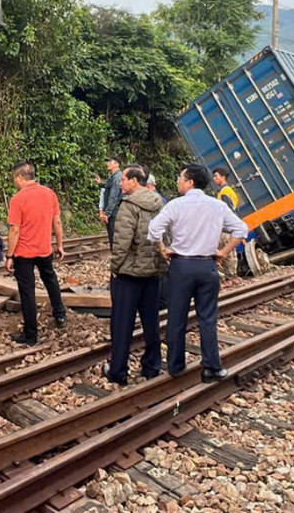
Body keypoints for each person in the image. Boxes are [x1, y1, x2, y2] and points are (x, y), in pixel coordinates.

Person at [147, 163, 248, 383]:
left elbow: (154, 229)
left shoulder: (176, 205)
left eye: (180, 178)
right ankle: (212, 367)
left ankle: (175, 366)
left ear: (190, 182)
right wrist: (223, 253)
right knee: (208, 318)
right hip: (207, 266)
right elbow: (241, 229)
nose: (178, 181)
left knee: (176, 317)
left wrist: (163, 249)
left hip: (181, 267)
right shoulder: (217, 205)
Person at [103, 165, 165, 385]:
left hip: (129, 273)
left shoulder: (129, 206)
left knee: (122, 323)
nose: (120, 183)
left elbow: (122, 241)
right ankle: (152, 366)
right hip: (152, 272)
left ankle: (118, 371)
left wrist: (115, 267)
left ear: (134, 181)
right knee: (151, 321)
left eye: (123, 179)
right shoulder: (159, 203)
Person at [5, 161, 68, 346]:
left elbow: (14, 230)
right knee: (50, 280)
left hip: (24, 253)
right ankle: (60, 315)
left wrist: (9, 256)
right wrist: (60, 245)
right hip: (44, 248)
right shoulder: (49, 193)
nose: (14, 182)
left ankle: (31, 335)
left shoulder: (18, 199)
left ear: (20, 177)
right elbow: (57, 222)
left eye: (14, 178)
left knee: (27, 292)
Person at [100, 157, 123, 249]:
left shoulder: (117, 177)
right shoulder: (112, 176)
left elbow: (113, 196)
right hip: (112, 211)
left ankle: (116, 254)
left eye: (110, 162)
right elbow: (108, 187)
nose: (108, 164)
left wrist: (107, 213)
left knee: (114, 236)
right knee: (112, 236)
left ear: (117, 164)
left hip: (114, 212)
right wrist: (101, 184)